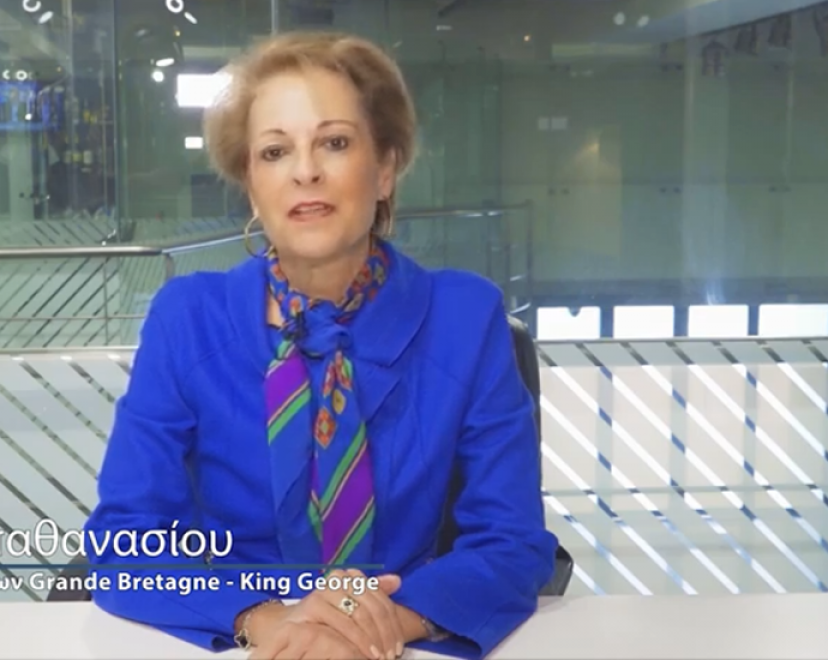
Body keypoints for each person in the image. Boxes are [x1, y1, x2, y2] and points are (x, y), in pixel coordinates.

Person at [83, 31, 558, 660]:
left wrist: (383, 621)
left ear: (385, 169)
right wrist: (264, 619)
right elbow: (126, 538)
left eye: (334, 142)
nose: (305, 171)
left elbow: (511, 542)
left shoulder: (465, 317)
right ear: (252, 185)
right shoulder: (186, 317)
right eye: (275, 151)